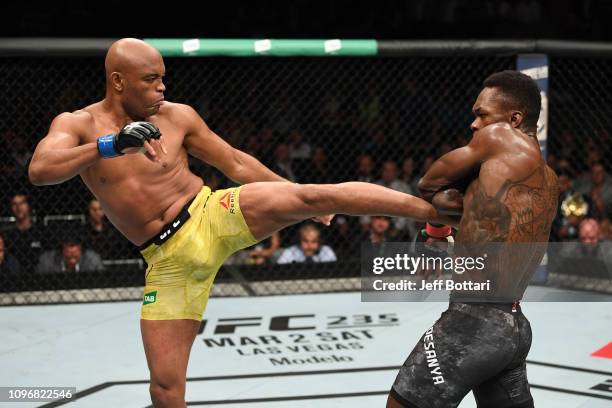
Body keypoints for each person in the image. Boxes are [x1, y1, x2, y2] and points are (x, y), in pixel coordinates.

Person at [28, 38, 450, 408]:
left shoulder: (177, 116)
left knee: (314, 194)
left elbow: (235, 162)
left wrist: (290, 195)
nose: (162, 87)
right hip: (167, 261)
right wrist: (111, 145)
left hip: (212, 214)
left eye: (163, 78)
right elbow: (41, 169)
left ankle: (438, 214)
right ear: (118, 81)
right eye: (150, 79)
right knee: (165, 390)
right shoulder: (78, 124)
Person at [388, 70, 558, 408]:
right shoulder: (549, 181)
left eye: (481, 114)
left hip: (472, 323)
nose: (474, 125)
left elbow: (429, 183)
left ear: (514, 119)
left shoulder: (500, 137)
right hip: (514, 328)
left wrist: (440, 221)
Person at [3, 193, 44, 272]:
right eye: (14, 204)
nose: (18, 207)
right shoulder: (7, 234)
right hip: (13, 276)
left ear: (29, 206)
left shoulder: (41, 232)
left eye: (22, 203)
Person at [36, 237, 105, 273]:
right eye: (68, 255)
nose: (72, 255)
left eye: (75, 255)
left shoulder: (92, 260)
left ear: (81, 250)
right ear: (62, 250)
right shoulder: (47, 260)